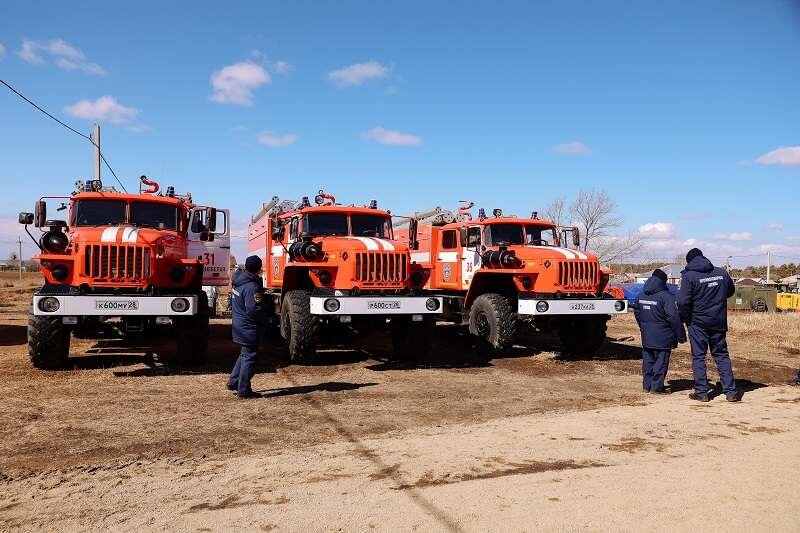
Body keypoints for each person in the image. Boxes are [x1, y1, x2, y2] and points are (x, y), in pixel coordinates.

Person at [677, 248, 739, 402]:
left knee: (698, 356)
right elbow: (730, 291)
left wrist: (686, 318)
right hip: (718, 321)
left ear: (689, 261)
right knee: (721, 355)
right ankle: (731, 392)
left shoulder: (689, 276)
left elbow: (683, 301)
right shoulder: (721, 273)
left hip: (698, 323)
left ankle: (702, 392)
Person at [634, 269, 686, 394]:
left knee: (648, 361)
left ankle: (646, 386)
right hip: (664, 337)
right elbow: (673, 317)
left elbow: (637, 313)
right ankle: (656, 388)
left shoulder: (641, 295)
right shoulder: (666, 297)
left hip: (647, 336)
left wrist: (643, 327)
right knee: (661, 363)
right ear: (663, 281)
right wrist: (681, 336)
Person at [227, 255, 270, 399]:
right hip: (249, 327)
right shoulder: (252, 287)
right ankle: (244, 390)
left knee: (244, 354)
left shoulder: (238, 280)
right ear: (258, 269)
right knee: (250, 358)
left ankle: (233, 382)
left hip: (239, 325)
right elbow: (253, 310)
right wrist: (266, 319)